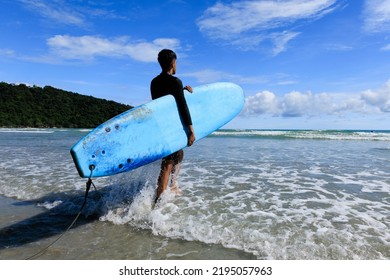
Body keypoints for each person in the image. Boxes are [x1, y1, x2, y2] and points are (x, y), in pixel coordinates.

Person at [150, 49, 196, 204]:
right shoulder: (176, 81)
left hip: (161, 126)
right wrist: (190, 130)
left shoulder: (154, 82)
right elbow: (182, 107)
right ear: (172, 63)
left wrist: (181, 92)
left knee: (179, 154)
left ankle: (173, 185)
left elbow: (163, 101)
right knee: (168, 162)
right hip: (172, 127)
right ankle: (158, 201)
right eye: (176, 62)